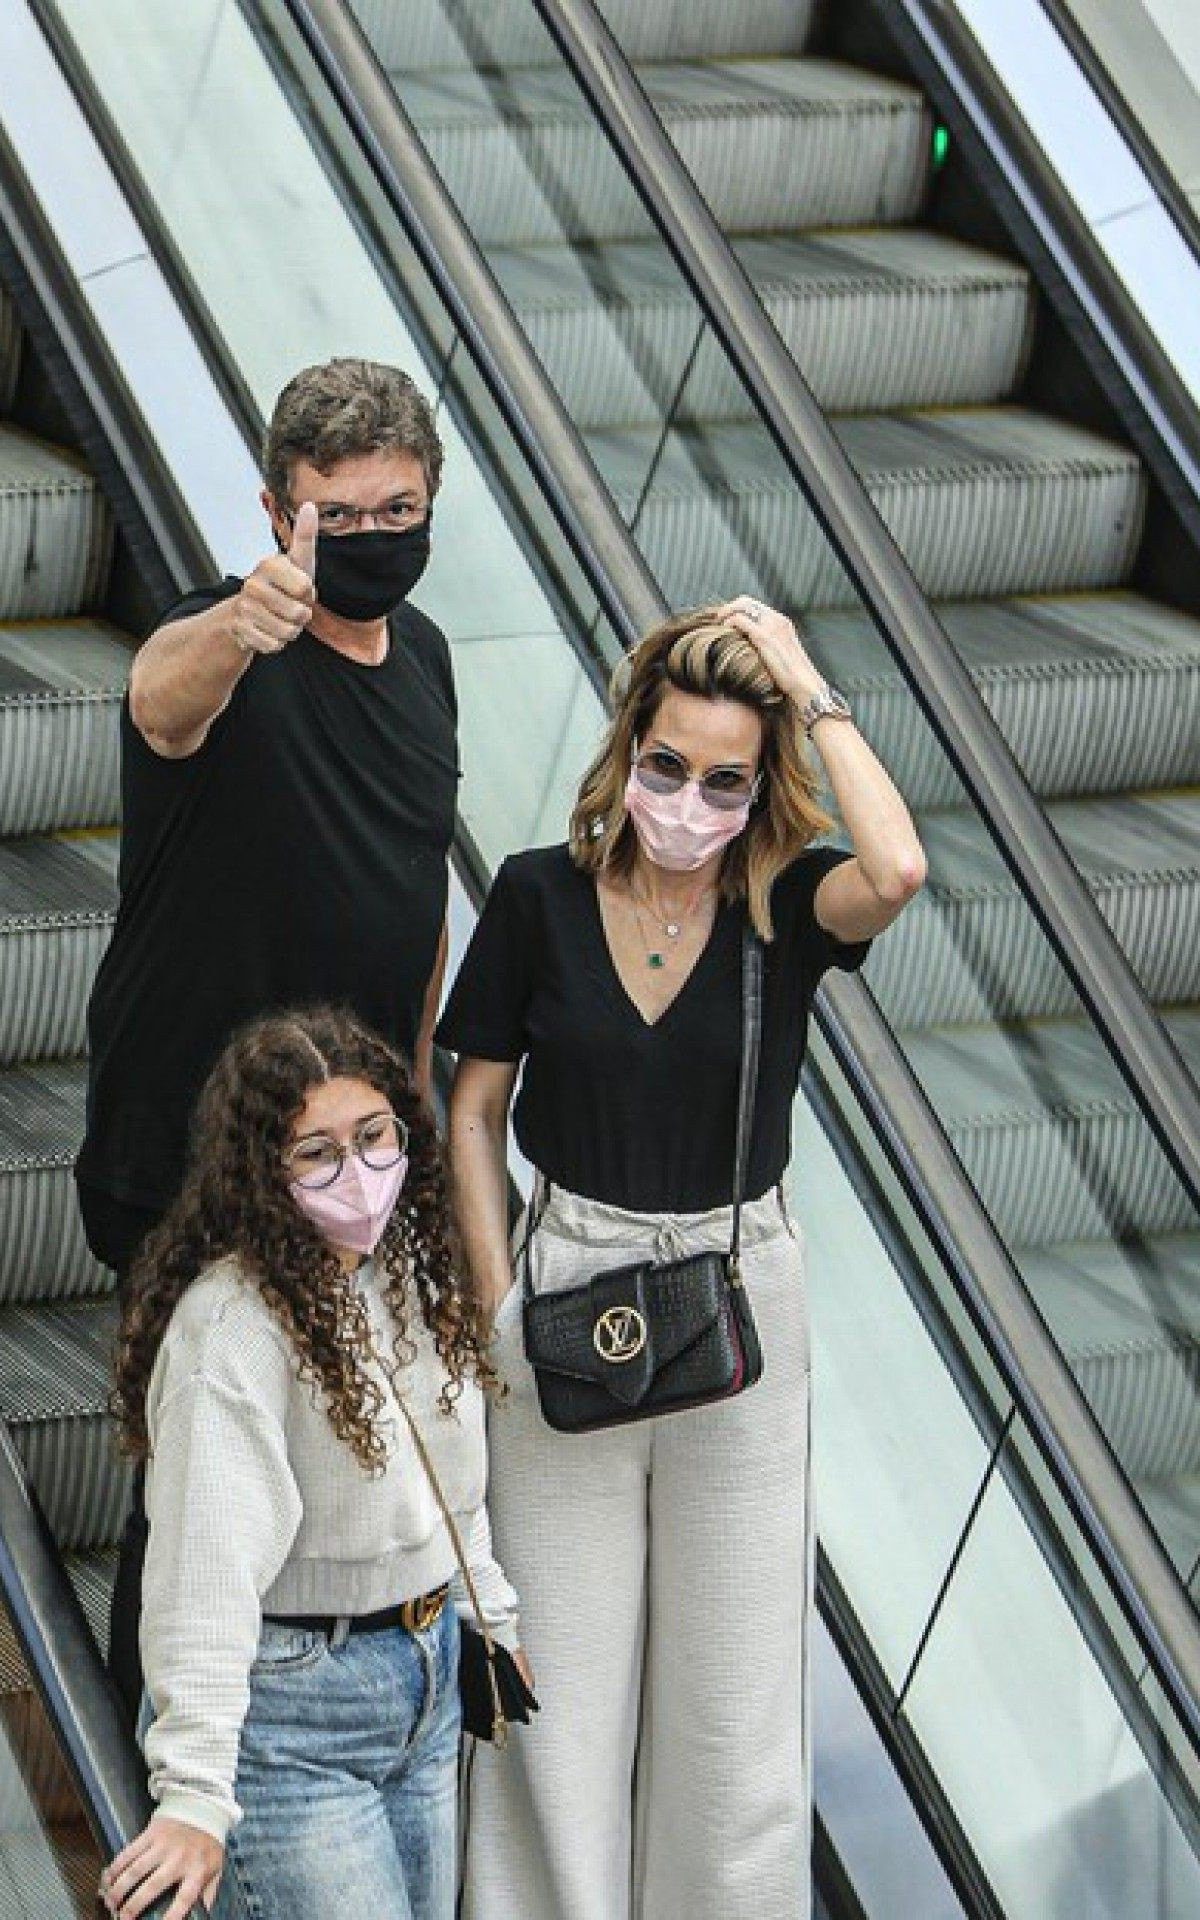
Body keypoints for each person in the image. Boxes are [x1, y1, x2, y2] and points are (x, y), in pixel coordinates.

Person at [438, 599, 926, 1920]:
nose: (689, 798)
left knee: (732, 1693)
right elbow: (473, 1107)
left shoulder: (785, 910)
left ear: (760, 785)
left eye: (725, 777)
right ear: (627, 751)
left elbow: (898, 870)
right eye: (668, 765)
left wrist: (806, 683)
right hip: (566, 1285)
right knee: (557, 1677)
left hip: (736, 1293)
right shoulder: (540, 895)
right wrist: (496, 1307)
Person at [75, 357, 460, 1715]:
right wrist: (248, 620)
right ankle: (151, 1784)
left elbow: (419, 895)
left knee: (313, 1462)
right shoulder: (222, 642)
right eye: (336, 517)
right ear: (274, 510)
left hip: (353, 1157)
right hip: (190, 1152)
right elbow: (159, 701)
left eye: (396, 509)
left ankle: (274, 1756)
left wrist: (417, 1114)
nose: (371, 540)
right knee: (191, 1482)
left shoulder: (424, 662)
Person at [99, 1007, 524, 1920]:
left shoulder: (408, 1267)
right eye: (316, 1153)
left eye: (374, 1137)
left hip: (426, 1672)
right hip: (293, 1715)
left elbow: (450, 1472)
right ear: (262, 1172)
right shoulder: (232, 1332)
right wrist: (197, 1792)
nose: (359, 1173)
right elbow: (201, 1576)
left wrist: (488, 1613)